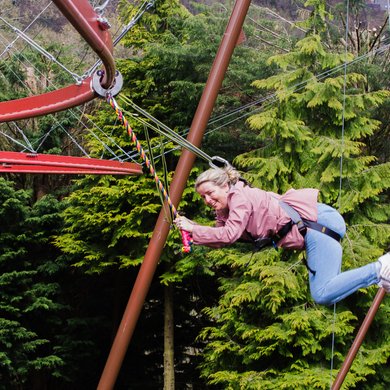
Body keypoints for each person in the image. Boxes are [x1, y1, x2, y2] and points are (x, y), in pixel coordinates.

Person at [174, 165, 390, 305]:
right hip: (314, 227)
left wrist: (193, 229)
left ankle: (379, 269)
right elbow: (220, 238)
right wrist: (192, 231)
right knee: (323, 293)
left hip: (316, 224)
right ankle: (380, 274)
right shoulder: (225, 208)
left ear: (224, 186)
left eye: (210, 193)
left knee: (322, 293)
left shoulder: (238, 197)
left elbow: (229, 234)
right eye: (203, 197)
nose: (207, 200)